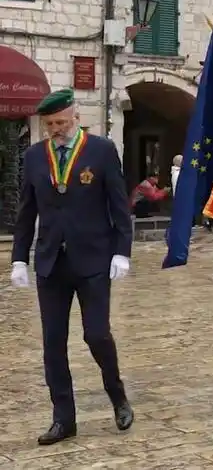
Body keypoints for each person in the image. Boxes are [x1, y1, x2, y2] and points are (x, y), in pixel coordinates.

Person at [10, 88, 135, 445]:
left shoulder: (101, 150)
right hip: (51, 262)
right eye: (49, 124)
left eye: (61, 122)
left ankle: (117, 395)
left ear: (75, 117)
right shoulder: (35, 157)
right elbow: (26, 211)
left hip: (94, 259)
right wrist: (19, 257)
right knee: (53, 343)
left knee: (96, 333)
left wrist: (121, 251)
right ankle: (63, 419)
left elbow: (118, 205)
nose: (56, 129)